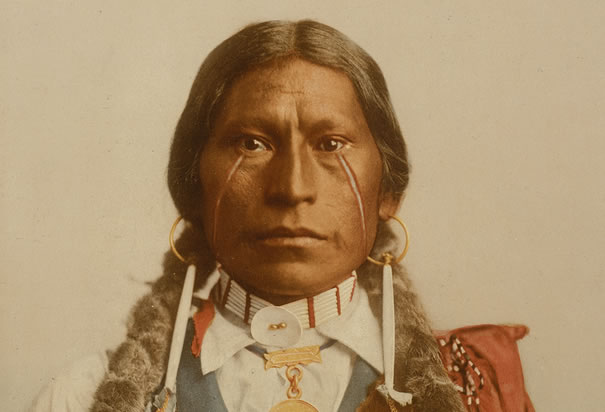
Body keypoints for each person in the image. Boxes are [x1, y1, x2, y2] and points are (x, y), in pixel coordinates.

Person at [31, 20, 533, 412]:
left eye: (330, 145)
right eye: (252, 144)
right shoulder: (85, 397)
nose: (292, 189)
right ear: (193, 186)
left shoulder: (474, 389)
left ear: (388, 191)